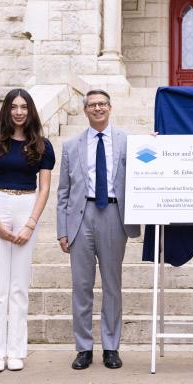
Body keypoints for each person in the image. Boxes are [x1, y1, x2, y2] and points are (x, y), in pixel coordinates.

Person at [57, 89, 140, 370]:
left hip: (114, 215)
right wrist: (62, 230)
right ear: (85, 110)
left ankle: (110, 347)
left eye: (102, 104)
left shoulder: (128, 142)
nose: (97, 108)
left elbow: (147, 162)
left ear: (110, 107)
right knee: (81, 287)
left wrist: (154, 146)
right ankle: (83, 348)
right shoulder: (71, 146)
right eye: (92, 105)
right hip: (81, 218)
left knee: (112, 285)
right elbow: (63, 193)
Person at [0, 89, 55, 372]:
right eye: (14, 107)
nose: (19, 112)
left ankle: (16, 350)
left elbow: (45, 188)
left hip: (27, 206)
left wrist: (31, 223)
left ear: (30, 110)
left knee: (19, 286)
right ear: (7, 110)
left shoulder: (42, 146)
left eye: (24, 107)